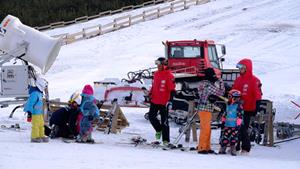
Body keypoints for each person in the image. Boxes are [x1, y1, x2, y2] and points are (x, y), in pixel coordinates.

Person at [232, 58, 262, 154]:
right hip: (237, 108)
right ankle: (235, 146)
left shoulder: (254, 80)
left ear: (246, 68)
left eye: (241, 68)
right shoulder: (238, 80)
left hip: (248, 109)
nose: (240, 70)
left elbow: (258, 95)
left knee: (243, 128)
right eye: (239, 68)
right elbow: (234, 91)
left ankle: (245, 148)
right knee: (235, 127)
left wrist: (257, 107)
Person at [148, 57, 175, 145]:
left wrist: (170, 100)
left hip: (164, 102)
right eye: (157, 65)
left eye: (160, 64)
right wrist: (150, 94)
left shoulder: (169, 75)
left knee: (165, 121)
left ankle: (166, 140)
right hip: (155, 100)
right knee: (151, 117)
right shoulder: (156, 74)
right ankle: (158, 129)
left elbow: (172, 89)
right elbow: (154, 85)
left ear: (164, 65)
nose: (158, 66)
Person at [197, 68, 225, 154]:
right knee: (205, 129)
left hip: (206, 109)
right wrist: (220, 81)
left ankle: (207, 147)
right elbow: (220, 92)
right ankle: (202, 147)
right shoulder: (207, 85)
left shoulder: (204, 83)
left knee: (207, 129)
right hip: (204, 109)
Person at [24, 77, 49, 143]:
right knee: (36, 125)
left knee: (41, 124)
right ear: (40, 85)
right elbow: (30, 104)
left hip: (39, 113)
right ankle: (34, 137)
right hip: (34, 113)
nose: (45, 88)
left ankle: (41, 135)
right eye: (44, 86)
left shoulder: (40, 93)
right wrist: (29, 113)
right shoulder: (34, 94)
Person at [218, 89, 243, 156]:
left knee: (233, 138)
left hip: (234, 126)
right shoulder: (228, 105)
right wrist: (223, 121)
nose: (228, 98)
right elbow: (225, 114)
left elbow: (240, 116)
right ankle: (223, 148)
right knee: (225, 137)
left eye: (230, 96)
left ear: (234, 97)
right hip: (227, 125)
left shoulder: (238, 106)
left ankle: (233, 149)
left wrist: (238, 124)